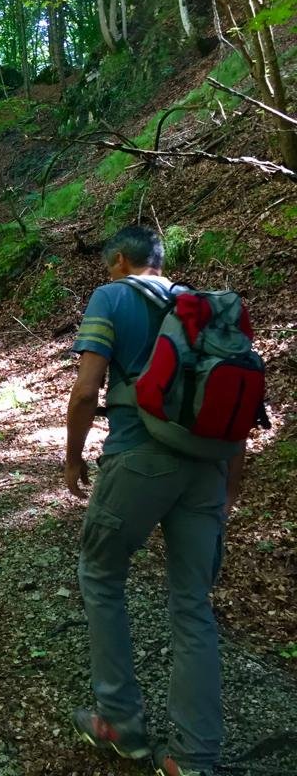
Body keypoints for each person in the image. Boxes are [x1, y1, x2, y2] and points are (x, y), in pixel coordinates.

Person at [66, 226, 241, 776]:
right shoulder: (199, 306)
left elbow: (87, 389)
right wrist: (230, 482)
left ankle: (120, 721)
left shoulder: (111, 296)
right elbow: (232, 391)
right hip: (207, 467)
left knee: (100, 573)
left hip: (139, 458)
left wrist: (72, 458)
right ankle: (194, 758)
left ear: (119, 260)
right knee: (192, 606)